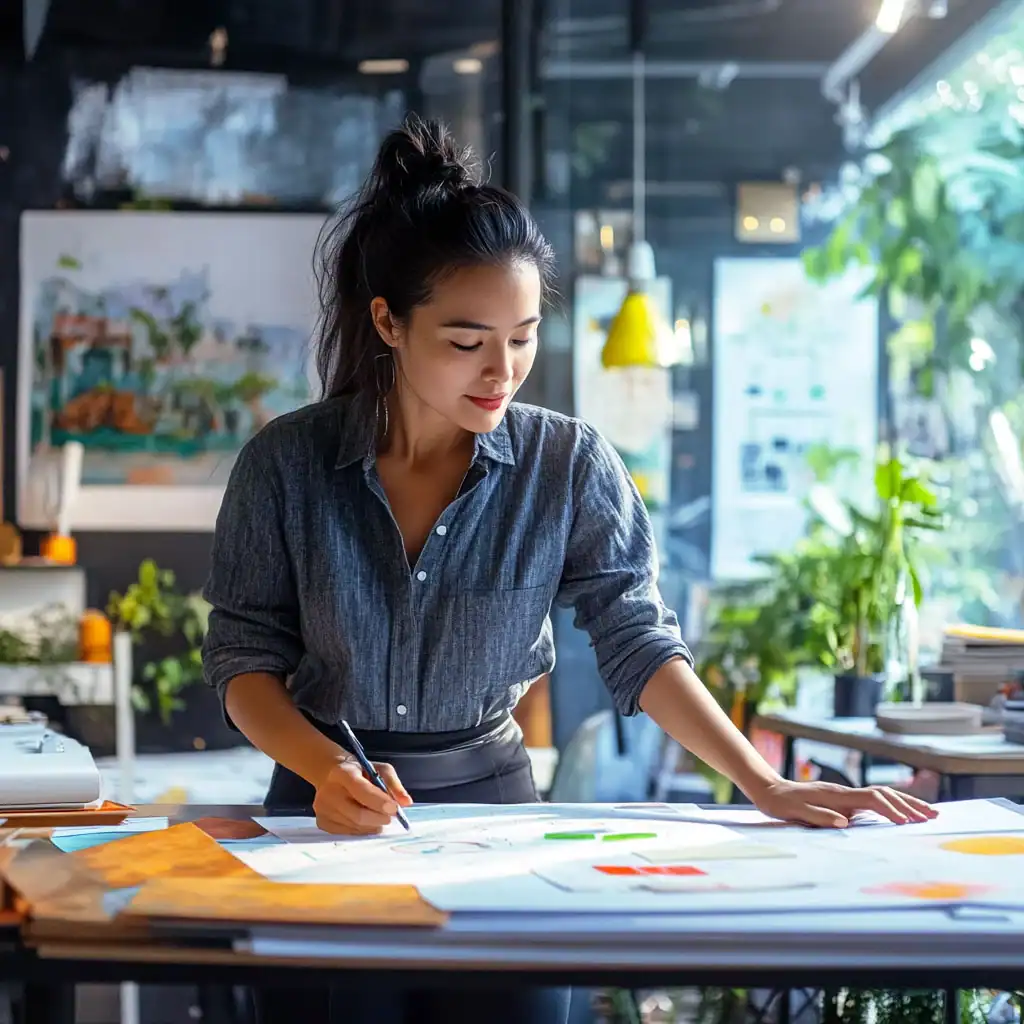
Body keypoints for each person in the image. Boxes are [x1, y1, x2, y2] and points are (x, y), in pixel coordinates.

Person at [202, 115, 935, 1024]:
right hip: (318, 813)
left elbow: (637, 641)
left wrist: (765, 782)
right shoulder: (287, 463)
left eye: (523, 336)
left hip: (493, 816)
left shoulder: (569, 464)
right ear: (388, 321)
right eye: (467, 340)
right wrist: (323, 771)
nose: (501, 369)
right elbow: (242, 663)